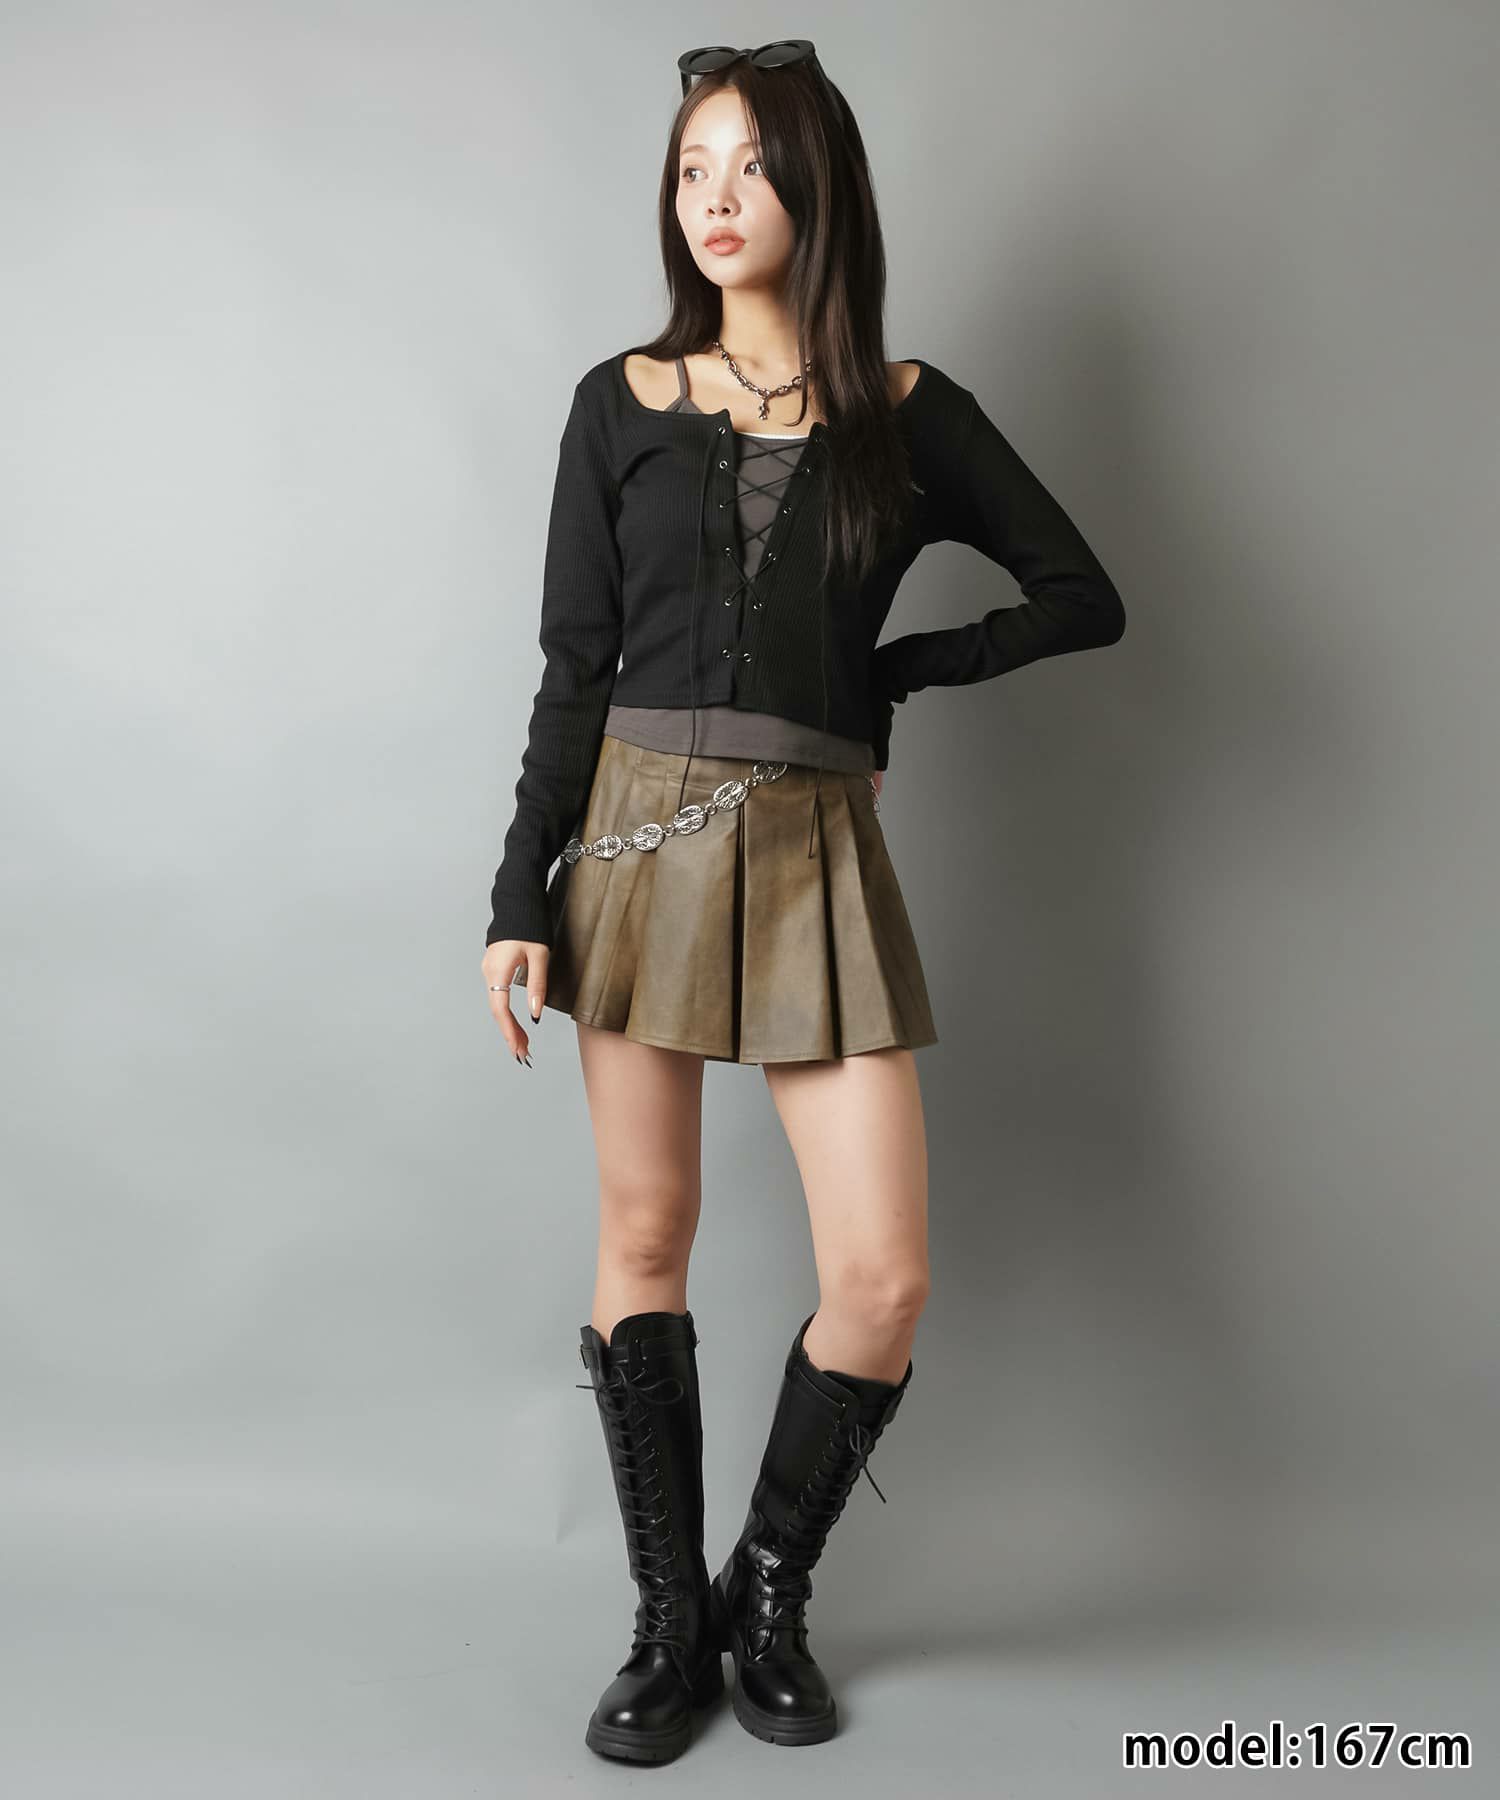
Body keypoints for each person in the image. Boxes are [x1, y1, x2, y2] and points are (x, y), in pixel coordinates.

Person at [480, 41, 1126, 1764]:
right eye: (692, 167)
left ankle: (766, 1591)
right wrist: (516, 896)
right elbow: (572, 669)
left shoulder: (910, 412)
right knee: (644, 1236)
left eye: (751, 165)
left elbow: (1080, 592)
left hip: (816, 846)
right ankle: (664, 1628)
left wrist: (895, 676)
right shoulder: (618, 401)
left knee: (885, 1273)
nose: (714, 197)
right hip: (630, 841)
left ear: (815, 190)